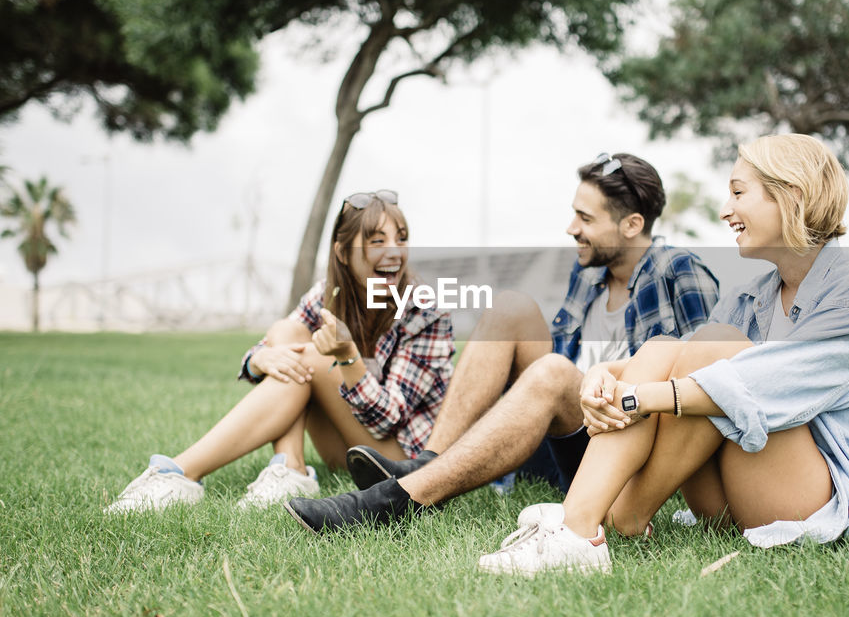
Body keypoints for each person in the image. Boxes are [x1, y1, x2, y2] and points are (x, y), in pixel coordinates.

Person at [476, 134, 849, 576]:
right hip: (733, 495)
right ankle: (580, 523)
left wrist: (639, 397)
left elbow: (767, 385)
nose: (726, 210)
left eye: (739, 193)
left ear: (791, 196)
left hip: (818, 503)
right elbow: (676, 358)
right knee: (666, 346)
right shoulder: (752, 295)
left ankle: (609, 519)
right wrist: (602, 375)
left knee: (714, 345)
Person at [284, 153, 719, 533]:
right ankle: (429, 460)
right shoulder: (587, 275)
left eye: (586, 219)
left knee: (554, 372)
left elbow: (707, 380)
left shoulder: (679, 270)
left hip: (624, 448)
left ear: (632, 225)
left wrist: (612, 385)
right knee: (510, 307)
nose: (571, 228)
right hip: (571, 432)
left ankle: (395, 500)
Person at [105, 190, 454, 513]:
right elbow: (278, 342)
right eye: (377, 241)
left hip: (401, 460)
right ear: (342, 253)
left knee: (309, 352)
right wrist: (258, 358)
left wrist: (347, 357)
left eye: (401, 239)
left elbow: (390, 418)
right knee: (286, 331)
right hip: (347, 449)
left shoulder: (425, 311)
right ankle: (289, 465)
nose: (394, 252)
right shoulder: (327, 295)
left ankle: (182, 473)